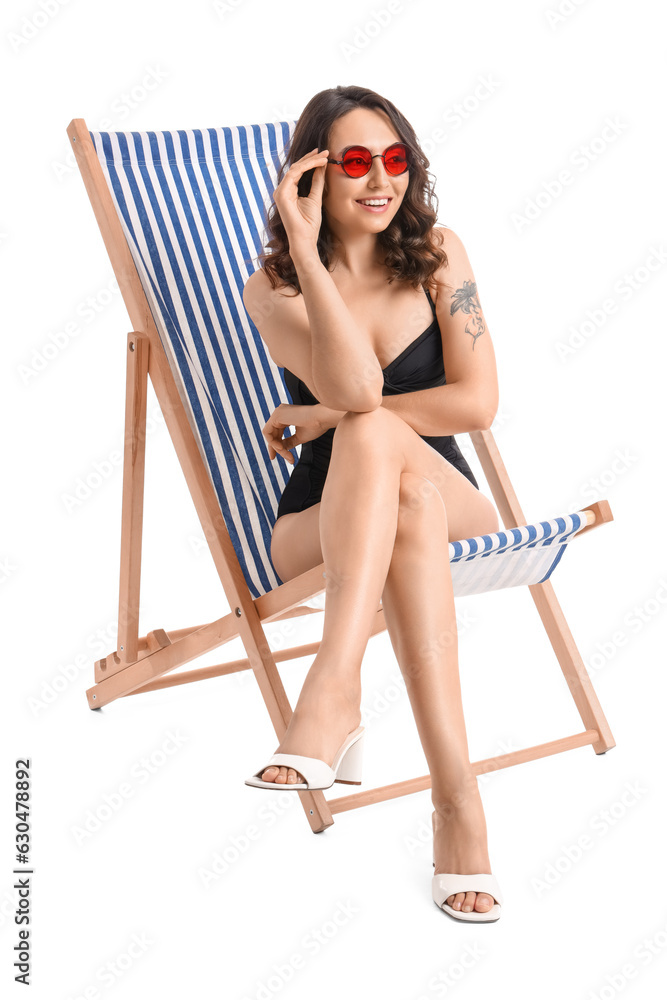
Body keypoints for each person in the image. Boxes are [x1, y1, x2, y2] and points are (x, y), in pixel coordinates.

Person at [242, 85, 502, 921]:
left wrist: (337, 416)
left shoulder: (439, 256)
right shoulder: (274, 290)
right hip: (316, 526)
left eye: (393, 159)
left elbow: (475, 403)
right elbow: (354, 383)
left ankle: (332, 691)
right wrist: (313, 259)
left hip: (455, 494)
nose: (379, 179)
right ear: (312, 181)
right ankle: (458, 805)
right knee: (389, 471)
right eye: (353, 162)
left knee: (366, 433)